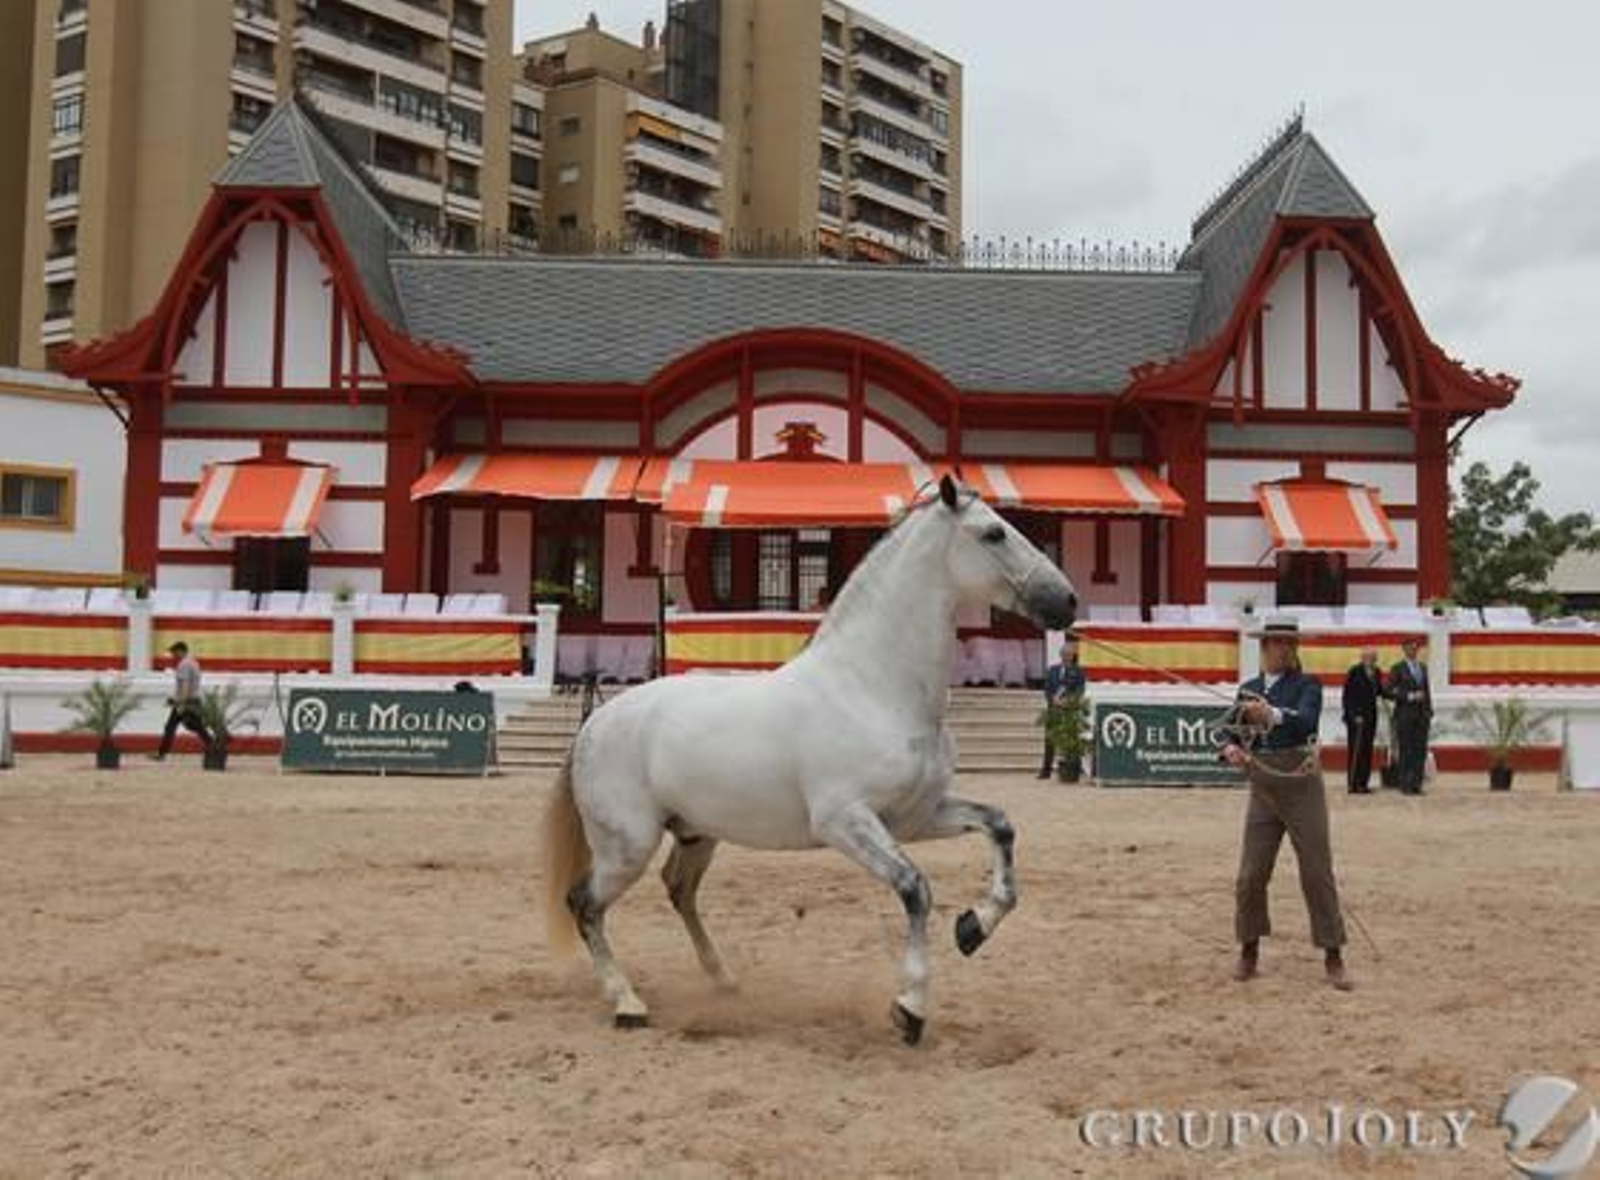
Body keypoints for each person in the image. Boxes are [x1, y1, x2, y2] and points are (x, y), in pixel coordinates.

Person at [1222, 615, 1352, 990]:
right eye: (1276, 642)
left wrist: (1272, 715)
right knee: (1250, 875)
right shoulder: (1247, 690)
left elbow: (1306, 722)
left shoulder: (1308, 684)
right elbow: (1229, 732)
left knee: (1316, 871)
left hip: (1300, 784)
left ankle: (1333, 953)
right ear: (1263, 647)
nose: (1283, 648)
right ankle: (1249, 949)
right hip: (1263, 786)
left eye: (1288, 643)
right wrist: (1230, 748)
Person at [1386, 635, 1433, 795]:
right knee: (1406, 750)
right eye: (1410, 647)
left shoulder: (1423, 667)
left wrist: (1429, 711)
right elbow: (1388, 690)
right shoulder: (1397, 669)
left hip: (1422, 716)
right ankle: (1405, 784)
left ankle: (1416, 784)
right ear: (1404, 649)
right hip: (1404, 715)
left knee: (1420, 751)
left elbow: (1427, 691)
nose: (1414, 650)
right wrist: (1408, 696)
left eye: (1416, 648)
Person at [153, 641, 214, 761]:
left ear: (181, 651)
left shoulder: (183, 665)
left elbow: (185, 685)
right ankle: (213, 747)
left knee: (173, 727)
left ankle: (161, 754)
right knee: (196, 726)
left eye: (174, 652)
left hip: (185, 701)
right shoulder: (194, 662)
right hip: (193, 699)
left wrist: (180, 703)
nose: (173, 655)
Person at [1038, 637, 1088, 779]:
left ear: (1073, 656)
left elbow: (1080, 691)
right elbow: (1047, 689)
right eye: (1064, 653)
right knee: (1049, 740)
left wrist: (1068, 702)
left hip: (1069, 711)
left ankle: (1074, 769)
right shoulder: (1052, 670)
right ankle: (1045, 770)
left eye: (1070, 654)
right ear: (1061, 655)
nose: (1067, 656)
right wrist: (1053, 700)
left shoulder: (1079, 671)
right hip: (1054, 709)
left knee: (1071, 741)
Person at [1341, 647, 1384, 794]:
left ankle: (1363, 784)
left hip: (1371, 719)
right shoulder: (1354, 672)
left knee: (1367, 751)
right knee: (1356, 751)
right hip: (1356, 720)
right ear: (1362, 658)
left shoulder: (1377, 672)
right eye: (1368, 657)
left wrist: (1398, 695)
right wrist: (1353, 716)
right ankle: (1353, 784)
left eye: (1373, 657)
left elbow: (1380, 691)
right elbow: (1347, 697)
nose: (1371, 660)